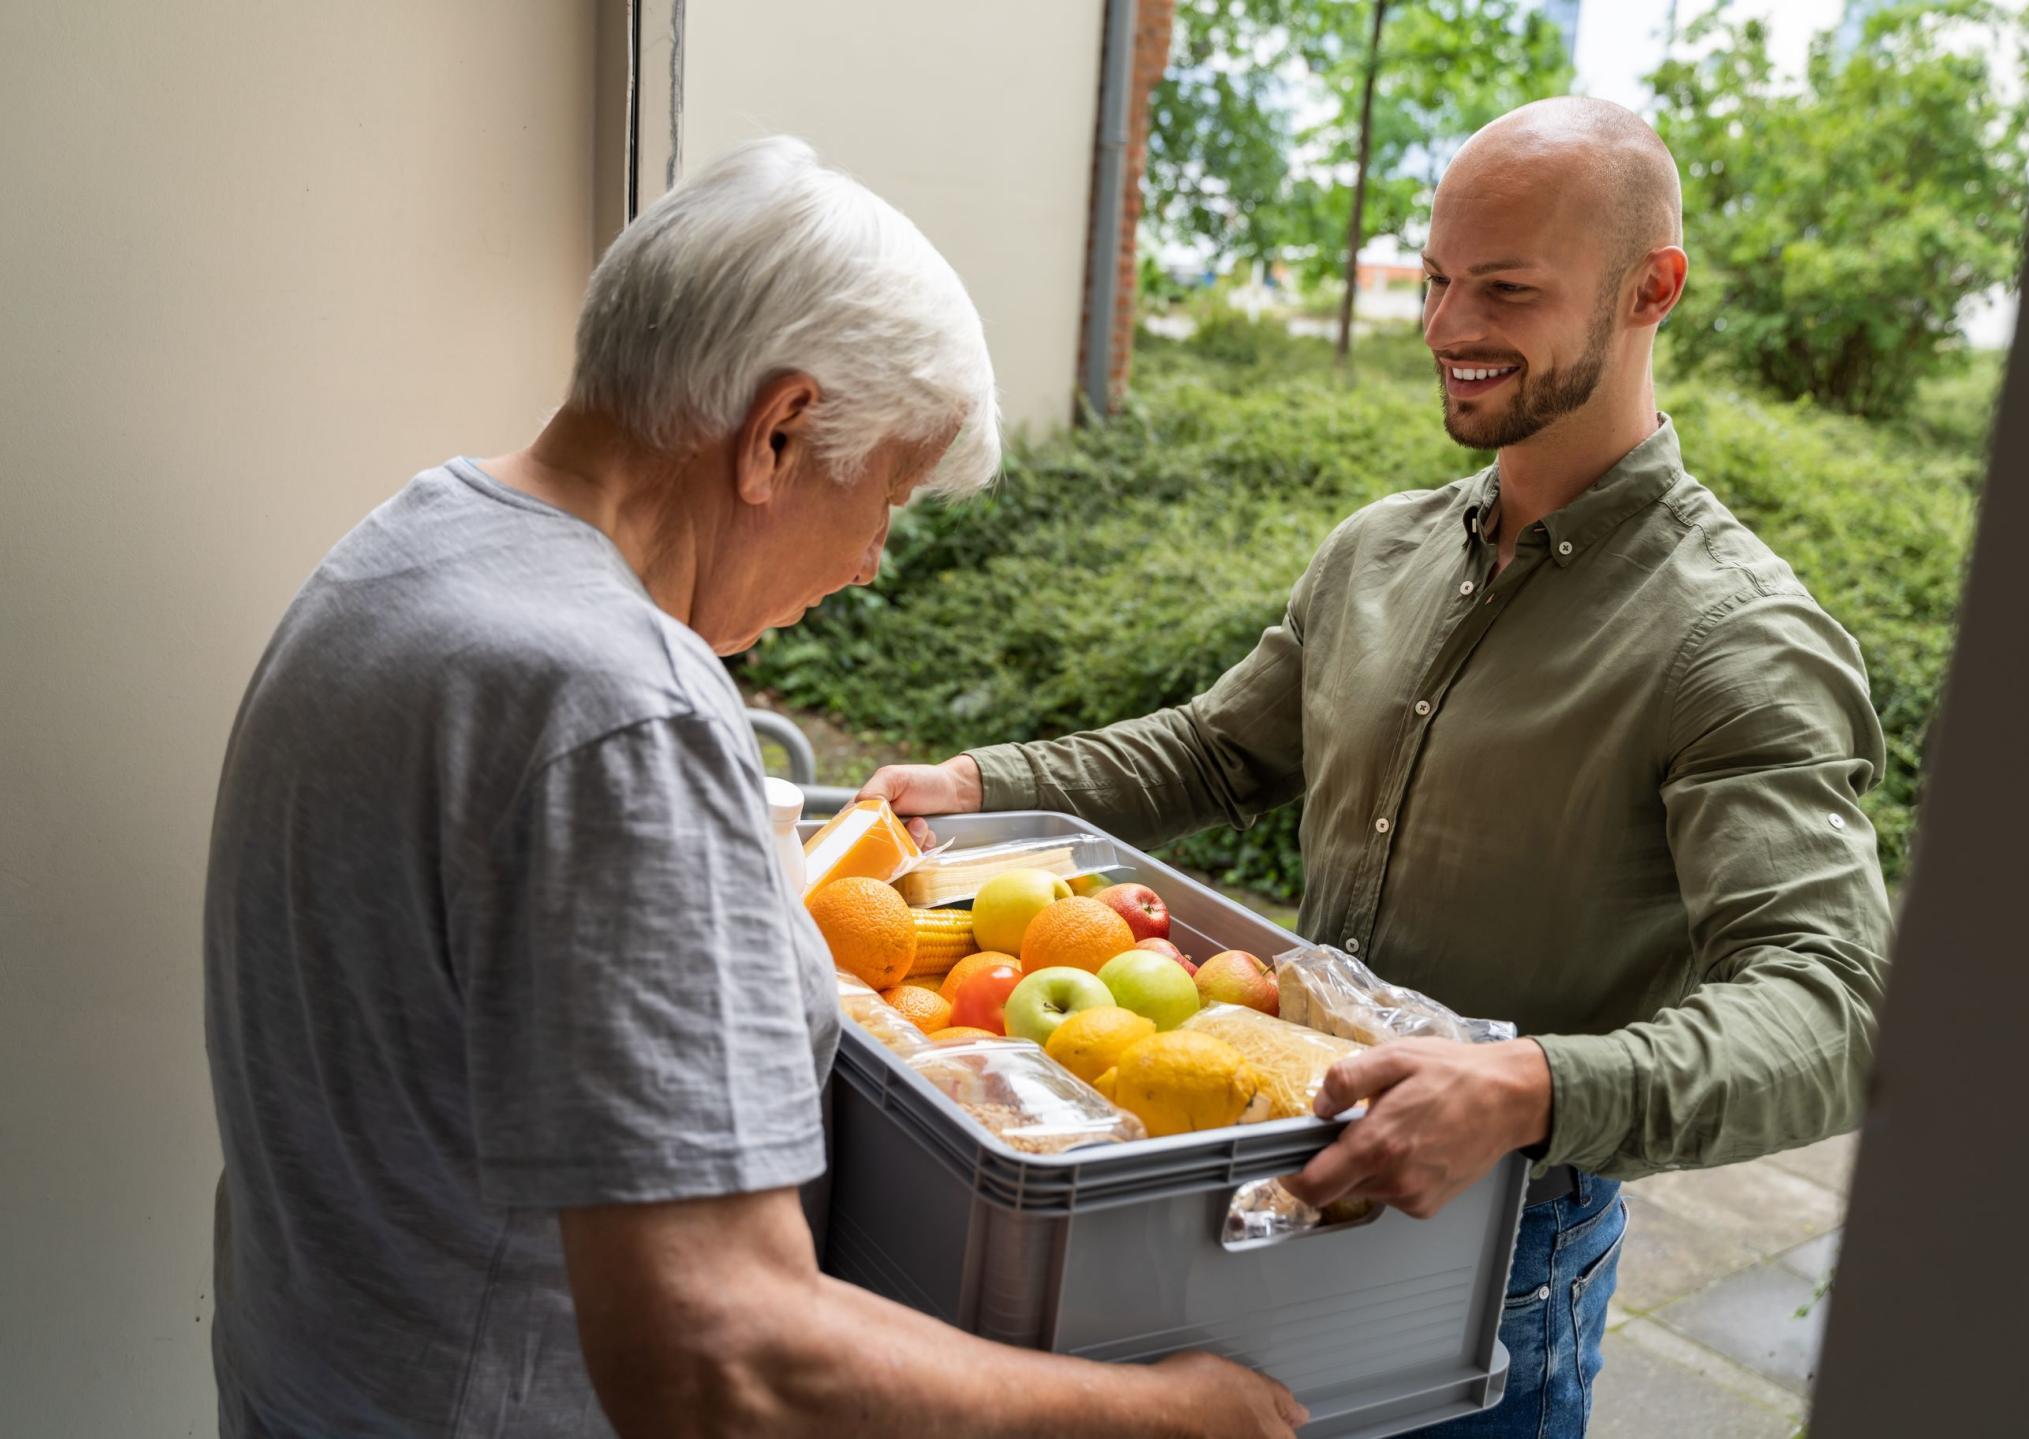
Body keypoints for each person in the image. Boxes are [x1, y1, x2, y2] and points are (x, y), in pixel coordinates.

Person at [201, 136, 1303, 1438]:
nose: (875, 561)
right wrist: (1166, 1417)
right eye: (888, 491)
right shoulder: (620, 707)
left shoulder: (402, 549)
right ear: (777, 434)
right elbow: (720, 1361)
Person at [863, 97, 1891, 1438]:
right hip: (1257, 1174)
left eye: (1506, 289)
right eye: (1440, 278)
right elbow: (1217, 751)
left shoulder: (1736, 641)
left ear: (1654, 288)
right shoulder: (1377, 553)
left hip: (1500, 1260)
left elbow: (1835, 1011)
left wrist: (1533, 1086)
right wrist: (979, 786)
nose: (1448, 328)